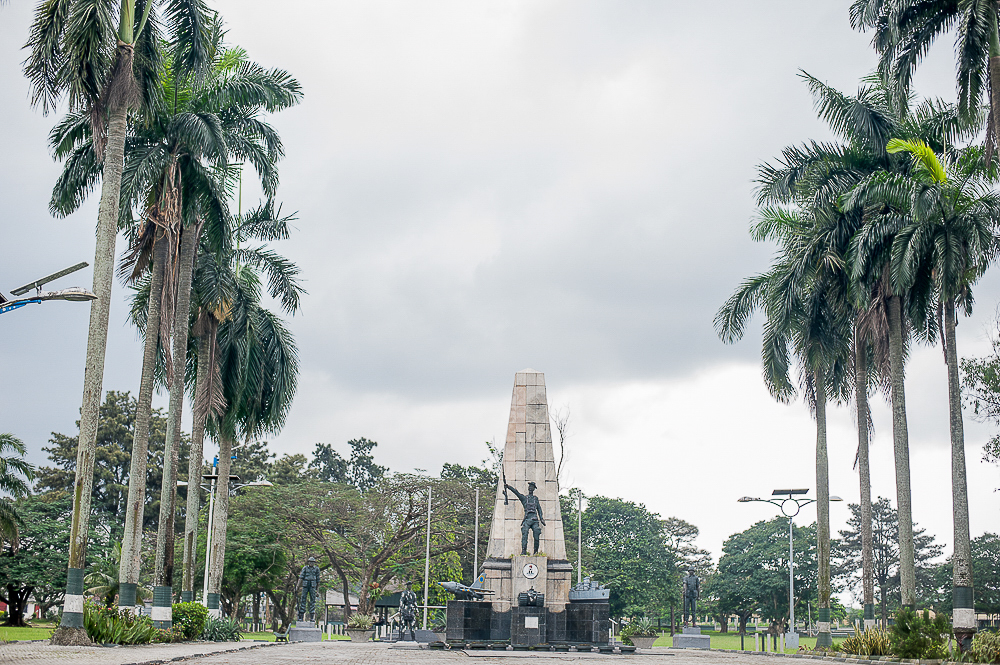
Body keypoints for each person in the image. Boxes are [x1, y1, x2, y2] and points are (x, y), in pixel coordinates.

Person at [504, 481, 546, 555]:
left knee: (536, 535)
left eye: (532, 486)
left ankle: (535, 552)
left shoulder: (535, 499)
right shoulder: (524, 498)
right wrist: (509, 487)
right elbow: (516, 493)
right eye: (529, 486)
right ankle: (524, 551)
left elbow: (539, 509)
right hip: (527, 519)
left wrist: (541, 518)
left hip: (535, 520)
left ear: (534, 489)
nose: (530, 487)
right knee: (525, 534)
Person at [298, 557, 321, 621]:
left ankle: (312, 617)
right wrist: (297, 587)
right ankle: (301, 616)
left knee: (312, 601)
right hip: (305, 585)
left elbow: (318, 581)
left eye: (313, 562)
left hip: (313, 586)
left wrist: (317, 591)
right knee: (303, 599)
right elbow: (301, 578)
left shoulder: (316, 569)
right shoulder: (305, 568)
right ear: (308, 562)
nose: (311, 563)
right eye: (310, 562)